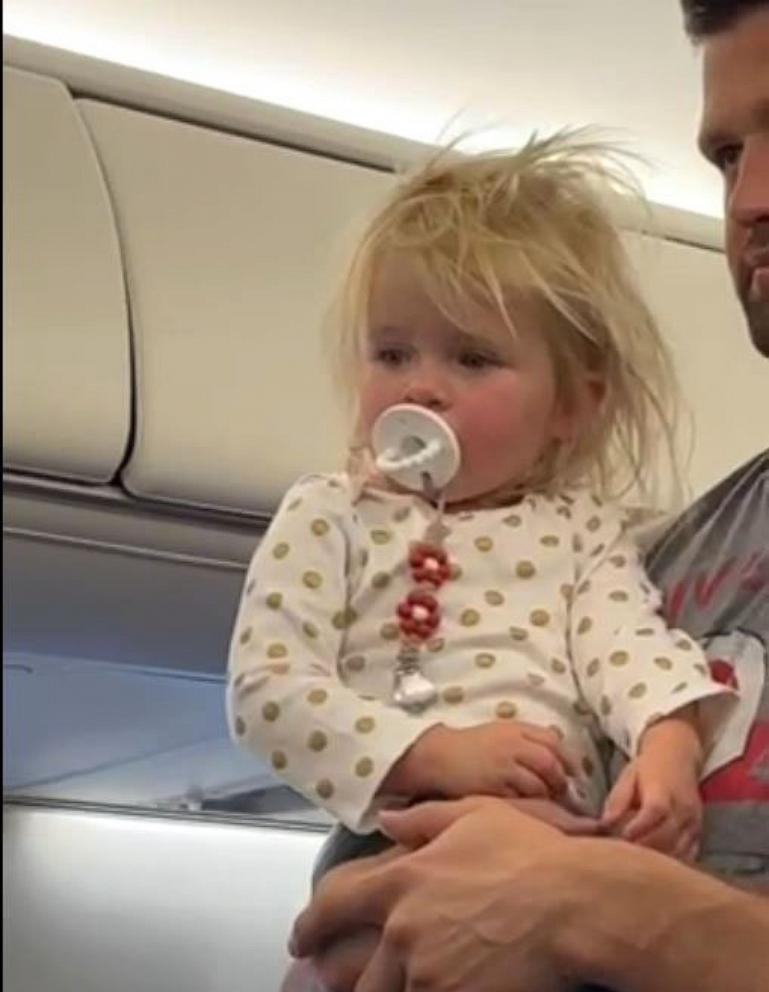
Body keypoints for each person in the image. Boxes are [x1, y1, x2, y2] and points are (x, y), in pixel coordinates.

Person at [287, 1, 769, 989]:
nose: (751, 196)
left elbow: (552, 897)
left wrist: (596, 905)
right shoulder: (661, 558)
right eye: (726, 155)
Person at [228, 129, 738, 866]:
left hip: (557, 843)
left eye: (472, 358)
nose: (420, 385)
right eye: (392, 353)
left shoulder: (580, 532)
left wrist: (667, 746)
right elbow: (266, 694)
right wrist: (432, 753)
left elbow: (627, 649)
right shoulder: (331, 513)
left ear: (572, 405)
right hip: (394, 835)